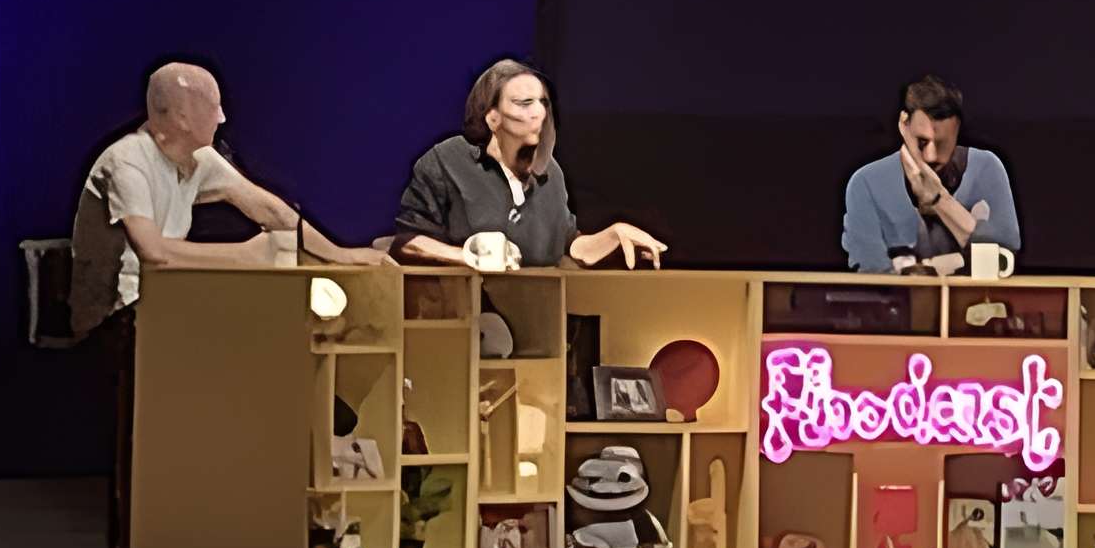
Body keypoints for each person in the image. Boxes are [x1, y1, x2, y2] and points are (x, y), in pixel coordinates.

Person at [69, 61, 387, 338]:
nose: (221, 117)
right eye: (213, 107)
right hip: (118, 322)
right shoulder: (127, 162)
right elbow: (154, 253)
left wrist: (338, 255)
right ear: (182, 116)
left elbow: (270, 211)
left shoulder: (197, 158)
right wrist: (248, 256)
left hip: (163, 305)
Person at [394, 58, 667, 269]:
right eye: (524, 103)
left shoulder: (550, 173)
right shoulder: (447, 160)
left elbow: (567, 243)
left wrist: (610, 235)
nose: (538, 112)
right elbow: (407, 244)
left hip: (534, 317)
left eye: (542, 103)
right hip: (460, 316)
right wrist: (467, 256)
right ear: (492, 117)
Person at [841, 75, 1022, 272]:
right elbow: (870, 272)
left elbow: (1004, 259)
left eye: (943, 143)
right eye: (922, 142)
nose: (931, 156)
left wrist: (940, 200)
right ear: (904, 124)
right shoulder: (866, 182)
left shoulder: (987, 168)